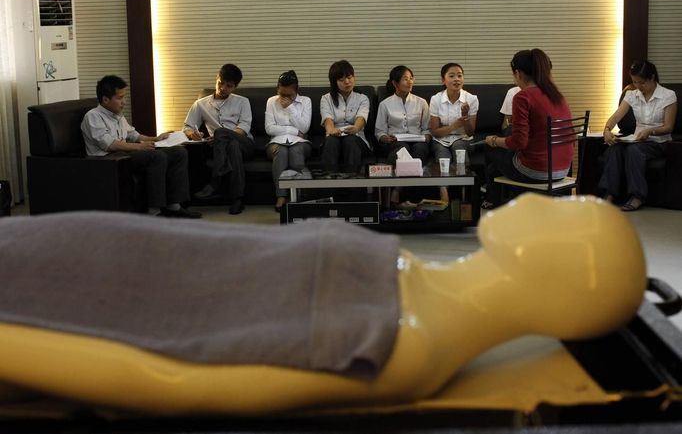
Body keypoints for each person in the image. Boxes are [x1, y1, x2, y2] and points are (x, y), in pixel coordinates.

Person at [0, 194, 646, 415]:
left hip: (88, 299)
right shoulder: (421, 270)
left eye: (570, 215)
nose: (550, 200)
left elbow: (175, 378)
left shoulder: (409, 343)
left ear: (566, 276)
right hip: (110, 245)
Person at [81, 75, 201, 218]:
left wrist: (156, 138)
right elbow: (110, 145)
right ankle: (154, 211)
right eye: (119, 98)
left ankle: (174, 206)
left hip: (124, 155)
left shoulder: (117, 115)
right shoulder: (93, 116)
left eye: (124, 97)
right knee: (156, 156)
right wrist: (140, 147)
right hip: (108, 160)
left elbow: (134, 135)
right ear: (105, 99)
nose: (124, 102)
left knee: (179, 152)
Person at [482, 49, 572, 209]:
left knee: (489, 149)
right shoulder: (557, 95)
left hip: (536, 171)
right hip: (563, 169)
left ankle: (495, 201)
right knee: (493, 168)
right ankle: (504, 200)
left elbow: (519, 142)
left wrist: (494, 140)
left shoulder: (523, 97)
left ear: (518, 73)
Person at [599, 60, 678, 211]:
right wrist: (607, 130)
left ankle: (637, 196)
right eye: (634, 82)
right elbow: (616, 117)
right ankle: (608, 194)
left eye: (641, 83)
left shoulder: (668, 95)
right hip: (636, 140)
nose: (638, 87)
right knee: (614, 149)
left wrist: (651, 131)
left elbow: (669, 127)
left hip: (658, 141)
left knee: (634, 151)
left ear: (652, 78)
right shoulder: (631, 94)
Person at [183, 64, 254, 215]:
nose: (223, 88)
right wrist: (192, 134)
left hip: (245, 143)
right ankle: (237, 199)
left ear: (235, 87)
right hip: (222, 147)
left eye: (229, 86)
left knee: (224, 134)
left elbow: (243, 128)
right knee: (232, 147)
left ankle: (215, 180)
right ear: (217, 78)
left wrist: (221, 136)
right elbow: (187, 127)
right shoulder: (201, 104)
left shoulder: (243, 101)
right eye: (220, 83)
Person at [375, 65, 431, 206]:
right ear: (395, 83)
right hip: (395, 141)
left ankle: (401, 192)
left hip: (418, 140)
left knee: (420, 149)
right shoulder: (385, 104)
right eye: (405, 79)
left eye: (411, 78)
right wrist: (384, 137)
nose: (410, 82)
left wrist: (427, 136)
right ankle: (394, 193)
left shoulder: (421, 102)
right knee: (402, 149)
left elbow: (427, 128)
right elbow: (379, 131)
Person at [429, 62, 478, 201]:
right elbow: (435, 132)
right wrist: (455, 125)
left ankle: (465, 192)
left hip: (463, 139)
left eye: (459, 75)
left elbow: (470, 133)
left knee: (458, 147)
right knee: (442, 153)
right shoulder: (436, 99)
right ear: (443, 80)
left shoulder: (471, 99)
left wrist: (466, 117)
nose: (456, 79)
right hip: (441, 139)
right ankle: (443, 190)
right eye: (451, 76)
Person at [265, 70, 312, 212]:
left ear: (296, 91)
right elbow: (269, 128)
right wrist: (294, 131)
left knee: (295, 150)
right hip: (276, 143)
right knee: (282, 152)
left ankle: (299, 196)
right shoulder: (271, 102)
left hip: (301, 143)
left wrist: (290, 108)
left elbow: (305, 127)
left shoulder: (306, 101)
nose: (284, 98)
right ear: (277, 89)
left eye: (289, 95)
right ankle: (281, 196)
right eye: (281, 94)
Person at [320, 60, 373, 173]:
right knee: (331, 141)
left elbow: (361, 118)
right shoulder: (326, 99)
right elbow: (327, 119)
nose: (347, 82)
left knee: (350, 141)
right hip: (334, 137)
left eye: (349, 77)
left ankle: (352, 185)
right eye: (342, 80)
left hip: (357, 139)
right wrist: (331, 130)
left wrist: (356, 128)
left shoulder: (362, 98)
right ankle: (330, 185)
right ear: (334, 82)